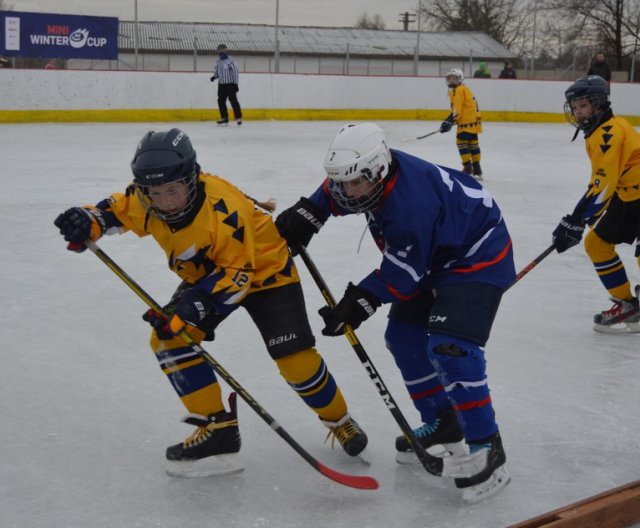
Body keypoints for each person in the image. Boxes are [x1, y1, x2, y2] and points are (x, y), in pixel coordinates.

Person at [53, 128, 368, 477]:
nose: (166, 202)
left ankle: (339, 420)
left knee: (296, 360)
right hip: (209, 278)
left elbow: (238, 276)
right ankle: (218, 430)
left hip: (266, 274)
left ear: (192, 178)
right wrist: (86, 222)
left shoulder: (224, 211)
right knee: (169, 338)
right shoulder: (144, 200)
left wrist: (192, 308)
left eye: (173, 190)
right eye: (155, 193)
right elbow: (110, 213)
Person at [275, 123, 515, 503]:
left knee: (450, 348)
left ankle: (488, 446)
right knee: (402, 338)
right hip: (436, 251)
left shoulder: (409, 205)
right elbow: (339, 189)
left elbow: (404, 272)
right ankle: (443, 421)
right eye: (341, 183)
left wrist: (359, 301)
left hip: (477, 256)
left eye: (355, 184)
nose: (347, 192)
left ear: (379, 172)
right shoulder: (368, 178)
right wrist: (311, 211)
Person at [552, 75, 640, 333]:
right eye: (575, 107)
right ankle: (629, 306)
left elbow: (602, 186)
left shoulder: (608, 134)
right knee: (597, 244)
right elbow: (607, 182)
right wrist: (581, 218)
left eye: (583, 106)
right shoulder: (602, 130)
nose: (578, 113)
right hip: (630, 196)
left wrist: (576, 220)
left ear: (599, 103)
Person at [440, 68, 484, 180]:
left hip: (465, 123)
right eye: (449, 78)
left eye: (454, 78)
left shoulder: (459, 90)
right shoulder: (464, 88)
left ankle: (468, 168)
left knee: (461, 143)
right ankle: (477, 170)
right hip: (473, 122)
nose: (451, 81)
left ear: (460, 79)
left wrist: (450, 121)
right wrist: (449, 120)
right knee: (473, 145)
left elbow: (457, 110)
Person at [210, 44, 243, 125]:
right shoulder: (218, 61)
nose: (221, 52)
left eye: (222, 50)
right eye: (219, 50)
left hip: (230, 84)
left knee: (233, 101)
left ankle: (238, 117)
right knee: (220, 101)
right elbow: (218, 73)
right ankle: (224, 118)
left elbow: (235, 73)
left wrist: (235, 84)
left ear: (226, 51)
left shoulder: (231, 61)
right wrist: (214, 77)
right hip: (221, 85)